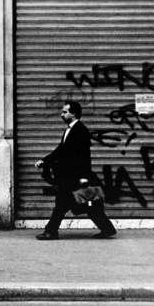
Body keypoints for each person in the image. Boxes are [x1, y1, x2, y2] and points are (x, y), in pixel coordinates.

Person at [34, 101, 117, 240]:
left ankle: (51, 231)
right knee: (90, 206)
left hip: (75, 177)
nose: (62, 114)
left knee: (62, 204)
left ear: (73, 113)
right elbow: (60, 150)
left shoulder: (81, 130)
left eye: (64, 112)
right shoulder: (70, 129)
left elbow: (85, 155)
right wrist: (45, 160)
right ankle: (107, 229)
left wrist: (84, 176)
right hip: (69, 176)